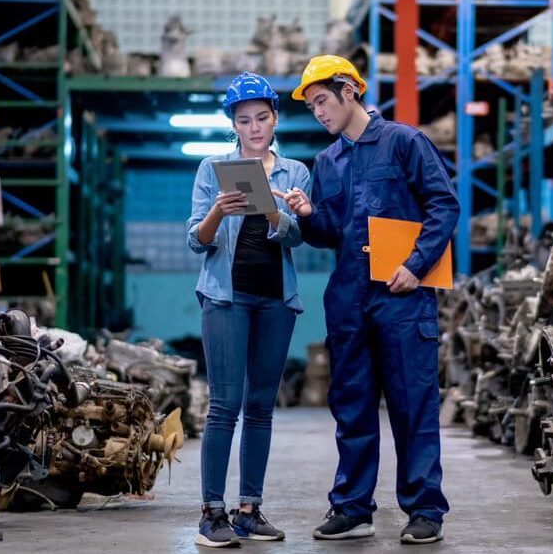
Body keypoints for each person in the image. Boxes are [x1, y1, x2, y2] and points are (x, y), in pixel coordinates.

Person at [279, 55, 459, 544]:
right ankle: (353, 507)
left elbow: (444, 205)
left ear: (349, 91)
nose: (319, 112)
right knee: (352, 406)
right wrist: (309, 214)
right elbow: (330, 234)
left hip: (402, 297)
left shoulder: (405, 143)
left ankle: (425, 509)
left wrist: (416, 265)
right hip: (349, 299)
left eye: (322, 101)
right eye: (312, 106)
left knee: (412, 405)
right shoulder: (327, 162)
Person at [186, 71, 310, 547]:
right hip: (226, 299)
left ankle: (249, 511)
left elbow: (298, 237)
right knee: (224, 405)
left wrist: (277, 212)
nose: (254, 128)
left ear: (275, 118)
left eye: (261, 118)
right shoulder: (212, 169)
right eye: (244, 120)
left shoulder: (295, 173)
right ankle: (211, 513)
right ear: (233, 125)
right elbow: (196, 240)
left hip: (276, 300)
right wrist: (219, 210)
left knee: (260, 406)